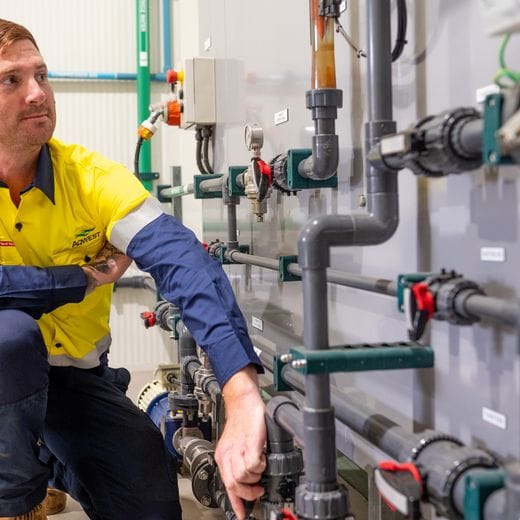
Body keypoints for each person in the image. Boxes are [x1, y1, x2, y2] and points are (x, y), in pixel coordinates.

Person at [0, 18, 266, 520]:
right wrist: (75, 280)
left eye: (42, 75)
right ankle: (16, 497)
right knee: (9, 338)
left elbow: (183, 259)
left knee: (150, 506)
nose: (38, 94)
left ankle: (45, 460)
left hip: (73, 380)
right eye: (11, 80)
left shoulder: (92, 178)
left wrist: (239, 388)